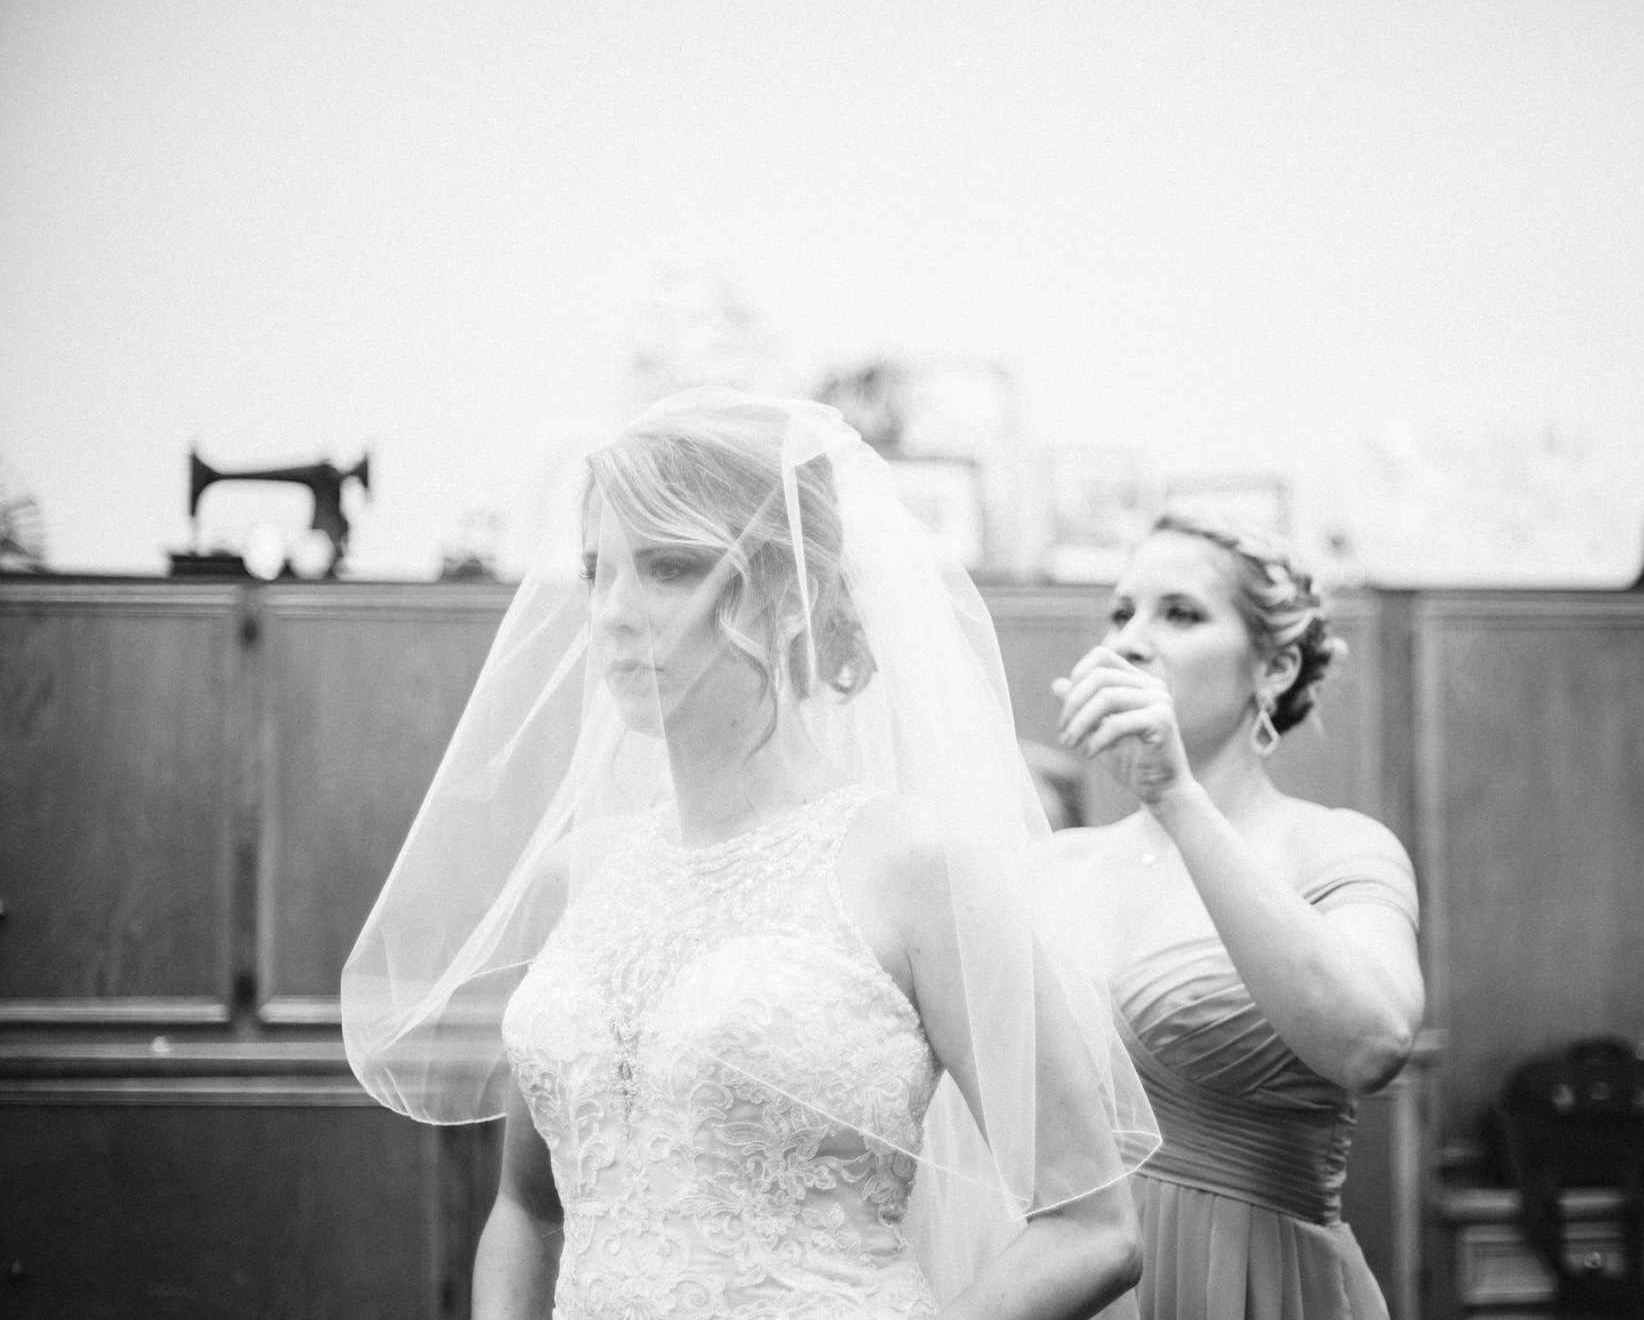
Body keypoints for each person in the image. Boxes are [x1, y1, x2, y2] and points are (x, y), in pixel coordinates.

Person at [342, 389, 1157, 1320]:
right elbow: (528, 1211)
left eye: (669, 567)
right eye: (598, 571)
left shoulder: (913, 869)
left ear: (788, 591)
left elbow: (1094, 1230)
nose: (613, 612)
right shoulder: (582, 874)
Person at [1039, 515, 1425, 1320]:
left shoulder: (1333, 847)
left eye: (1180, 614)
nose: (1130, 641)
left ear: (1275, 667)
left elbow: (1373, 1043)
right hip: (1076, 1285)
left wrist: (1176, 798)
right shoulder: (1057, 866)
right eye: (1121, 613)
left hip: (1258, 1286)